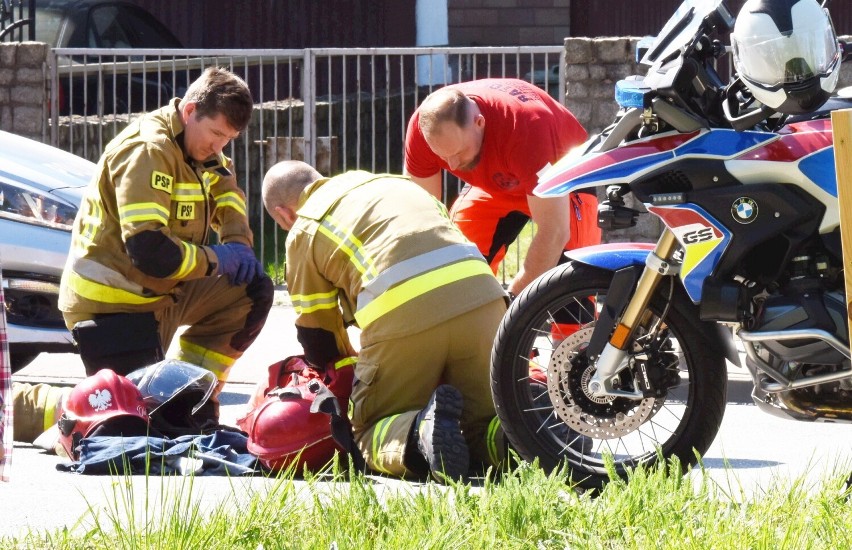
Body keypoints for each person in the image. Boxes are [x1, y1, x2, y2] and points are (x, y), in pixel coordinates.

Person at [261, 160, 509, 481]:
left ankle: (420, 432)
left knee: (367, 431)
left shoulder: (305, 226)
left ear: (283, 214)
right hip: (486, 302)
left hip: (406, 317)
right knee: (482, 422)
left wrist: (353, 376)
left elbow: (317, 333)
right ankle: (514, 438)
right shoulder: (397, 184)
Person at [58, 66, 274, 423]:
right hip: (113, 306)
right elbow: (150, 252)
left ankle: (194, 392)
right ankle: (29, 405)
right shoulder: (149, 150)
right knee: (125, 417)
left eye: (228, 140)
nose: (219, 148)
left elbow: (228, 196)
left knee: (252, 290)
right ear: (189, 112)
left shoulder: (202, 148)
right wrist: (217, 258)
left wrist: (239, 244)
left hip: (161, 294)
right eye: (216, 134)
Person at [404, 78, 602, 297]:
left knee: (569, 293)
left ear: (479, 122)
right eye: (442, 156)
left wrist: (512, 306)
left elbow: (555, 231)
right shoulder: (422, 129)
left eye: (459, 152)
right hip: (497, 185)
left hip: (565, 185)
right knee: (457, 268)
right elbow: (422, 222)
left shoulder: (527, 126)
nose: (452, 165)